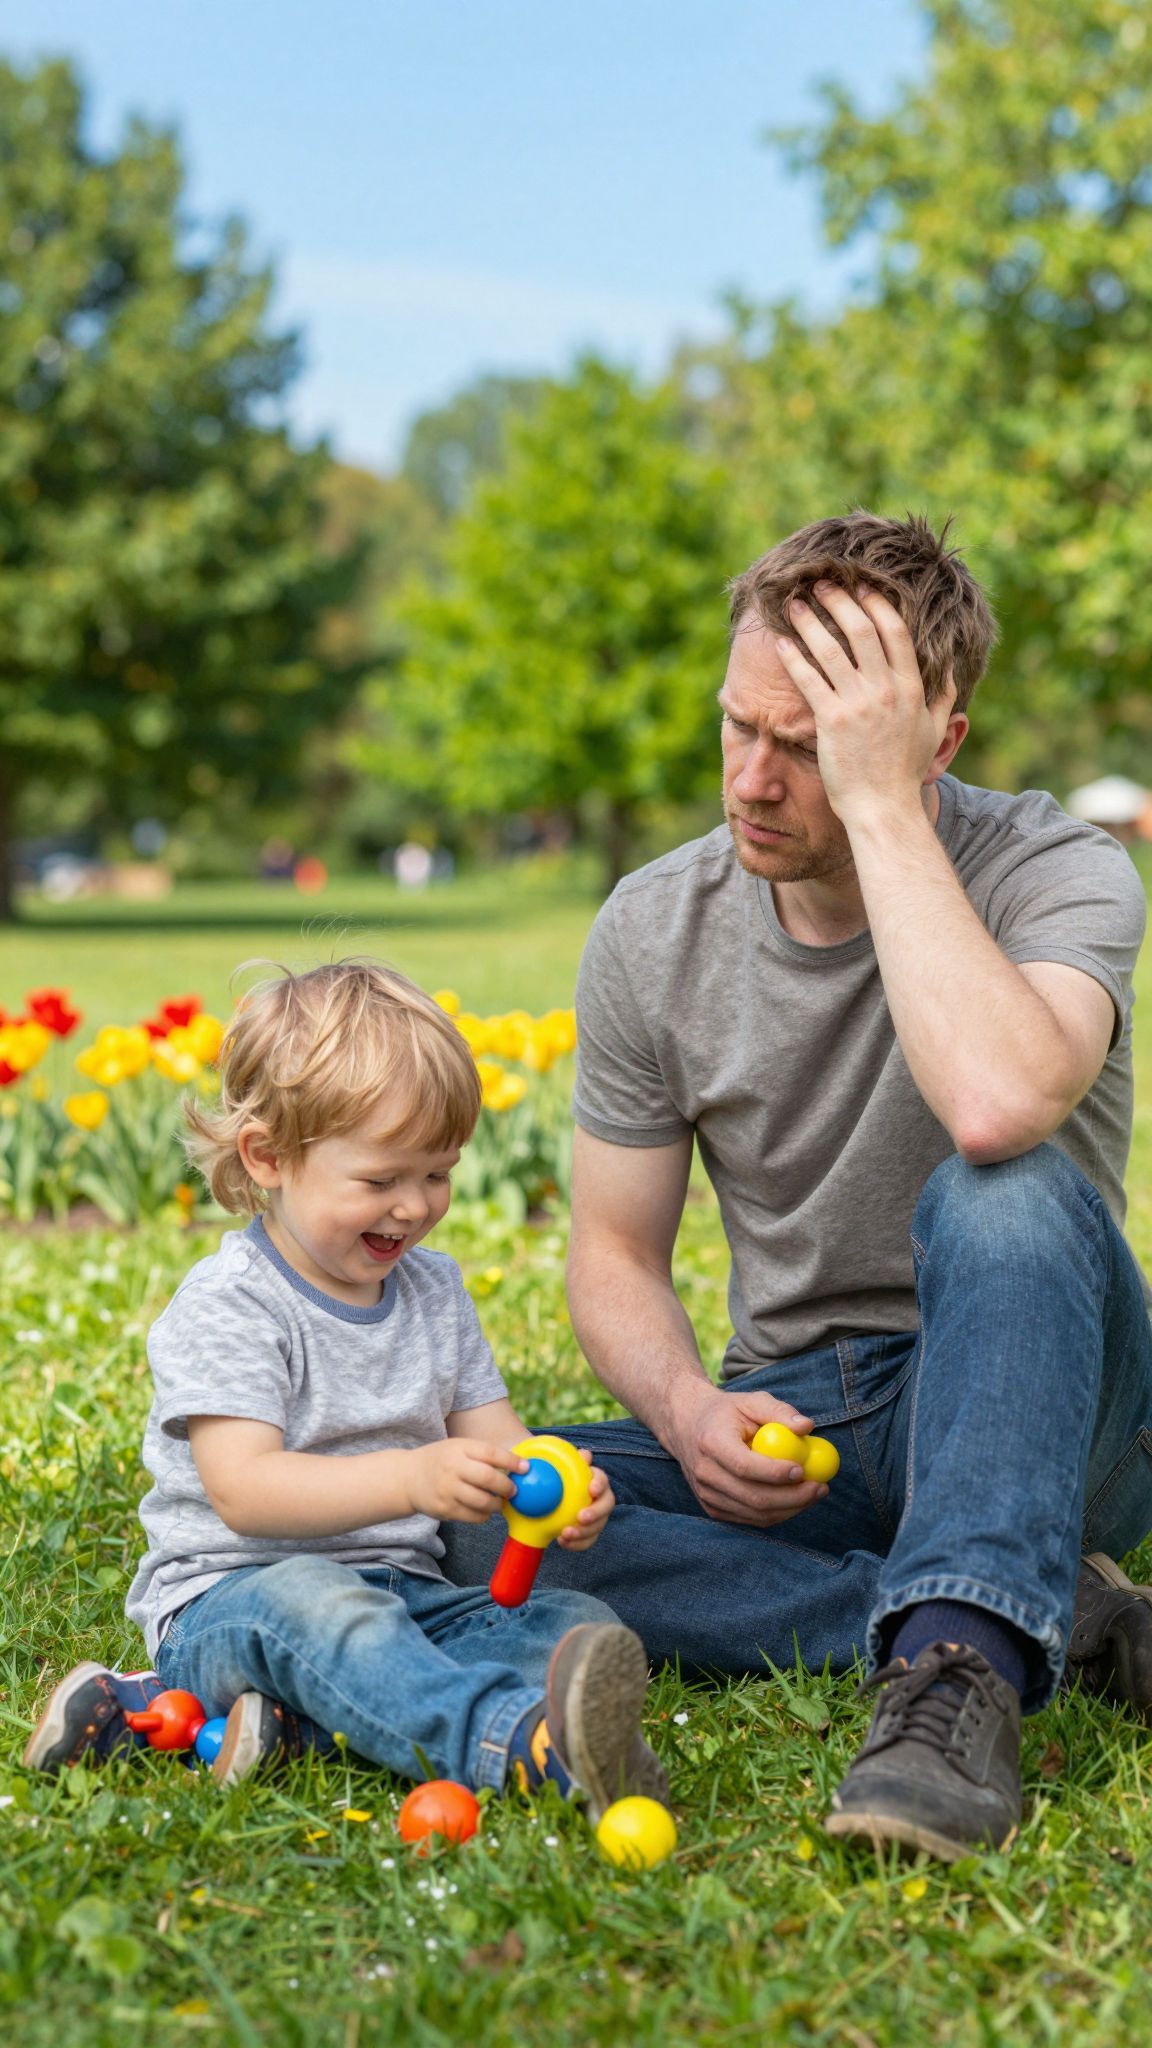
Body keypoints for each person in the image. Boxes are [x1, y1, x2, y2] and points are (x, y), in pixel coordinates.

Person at [442, 511, 1152, 1862]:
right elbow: (611, 1254)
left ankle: (951, 1684)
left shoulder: (1062, 870)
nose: (753, 779)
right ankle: (1025, 1604)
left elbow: (999, 1100)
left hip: (1039, 1391)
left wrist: (883, 810)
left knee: (998, 1184)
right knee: (470, 1517)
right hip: (796, 1420)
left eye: (811, 746)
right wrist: (686, 1404)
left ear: (932, 739)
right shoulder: (654, 927)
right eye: (739, 727)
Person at [24, 961, 667, 1823]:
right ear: (269, 1157)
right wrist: (409, 1479)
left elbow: (506, 1445)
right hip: (239, 1603)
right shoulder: (234, 1305)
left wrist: (555, 1491)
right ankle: (517, 1747)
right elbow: (244, 1491)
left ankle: (276, 1728)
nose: (413, 1208)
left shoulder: (434, 1293)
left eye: (437, 1174)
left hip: (405, 1599)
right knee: (327, 1614)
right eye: (379, 1180)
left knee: (573, 1621)